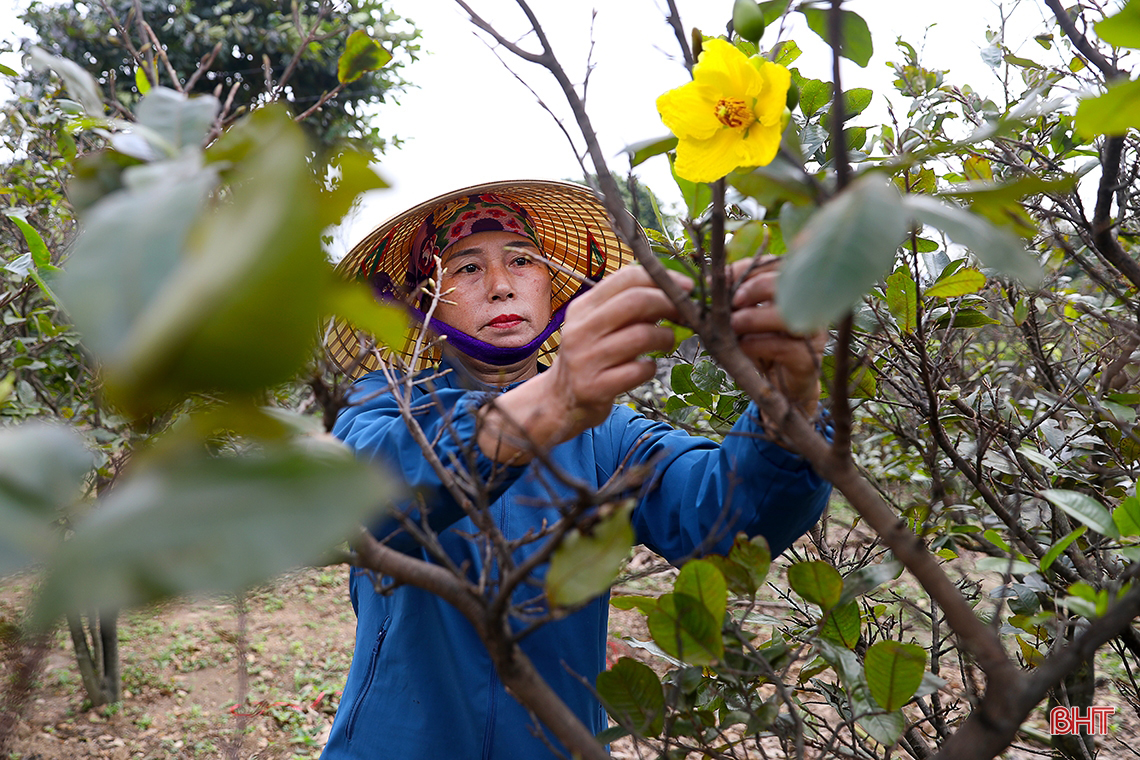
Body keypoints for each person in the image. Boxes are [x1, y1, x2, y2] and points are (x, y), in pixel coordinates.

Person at [320, 180, 831, 759]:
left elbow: (719, 518)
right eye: (465, 268)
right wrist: (551, 402)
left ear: (552, 285)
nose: (500, 285)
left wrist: (788, 411)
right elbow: (370, 492)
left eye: (521, 261)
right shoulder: (383, 404)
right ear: (425, 297)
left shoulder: (609, 433)